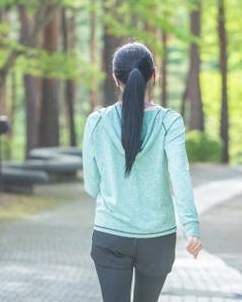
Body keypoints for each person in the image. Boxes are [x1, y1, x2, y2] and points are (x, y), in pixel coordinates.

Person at [82, 42, 202, 302]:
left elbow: (92, 186)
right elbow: (180, 177)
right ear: (154, 75)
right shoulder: (169, 121)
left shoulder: (97, 122)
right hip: (157, 238)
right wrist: (191, 229)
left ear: (115, 78)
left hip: (110, 234)